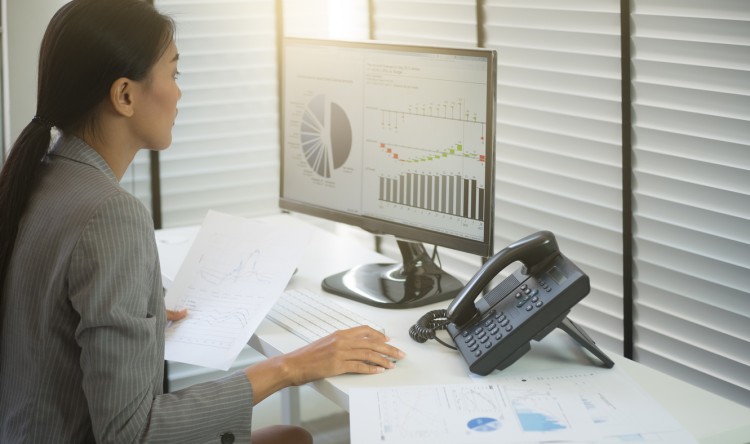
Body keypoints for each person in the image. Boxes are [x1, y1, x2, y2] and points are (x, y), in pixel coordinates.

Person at [0, 1, 405, 443]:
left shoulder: (40, 174)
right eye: (174, 74)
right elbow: (132, 433)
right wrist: (291, 366)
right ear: (125, 95)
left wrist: (143, 316)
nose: (178, 92)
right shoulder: (110, 214)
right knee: (293, 439)